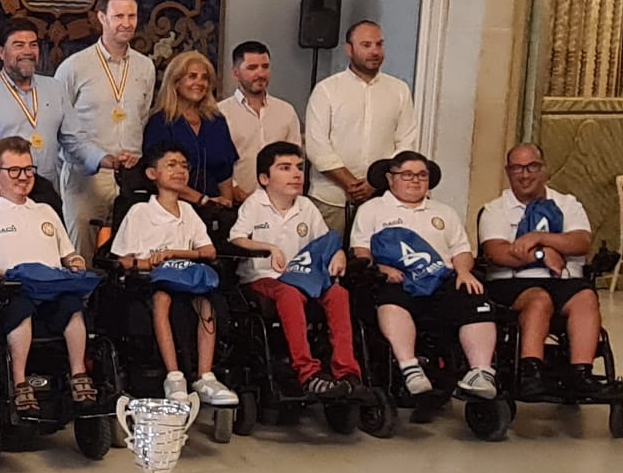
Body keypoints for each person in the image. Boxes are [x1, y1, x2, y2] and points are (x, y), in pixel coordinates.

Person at [0, 137, 94, 414]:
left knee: (72, 305)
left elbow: (68, 254)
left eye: (28, 169)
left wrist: (76, 260)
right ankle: (20, 383)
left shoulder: (45, 211)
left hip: (50, 289)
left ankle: (79, 375)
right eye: (14, 170)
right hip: (9, 291)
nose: (23, 177)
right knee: (20, 306)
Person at [350, 150, 498, 399]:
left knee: (475, 297)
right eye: (407, 174)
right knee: (390, 298)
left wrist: (464, 272)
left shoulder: (444, 212)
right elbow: (361, 251)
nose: (415, 180)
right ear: (390, 178)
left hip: (440, 279)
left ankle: (481, 373)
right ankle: (410, 369)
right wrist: (381, 269)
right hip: (398, 280)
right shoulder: (372, 209)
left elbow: (462, 250)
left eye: (422, 175)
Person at [228, 142, 363, 397]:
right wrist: (268, 247)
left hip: (303, 278)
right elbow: (236, 239)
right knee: (289, 293)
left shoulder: (306, 206)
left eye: (299, 168)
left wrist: (338, 253)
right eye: (285, 168)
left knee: (338, 293)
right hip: (264, 278)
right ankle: (307, 372)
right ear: (264, 178)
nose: (296, 174)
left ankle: (347, 371)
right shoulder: (255, 204)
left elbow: (325, 241)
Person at [477, 143, 612, 399]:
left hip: (564, 280)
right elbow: (498, 253)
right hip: (512, 284)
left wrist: (539, 238)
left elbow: (581, 242)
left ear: (544, 170)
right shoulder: (495, 210)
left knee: (585, 297)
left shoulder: (567, 204)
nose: (524, 174)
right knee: (539, 299)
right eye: (517, 168)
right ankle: (531, 372)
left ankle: (581, 373)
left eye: (532, 167)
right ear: (508, 172)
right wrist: (542, 254)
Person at [108, 143, 237, 407]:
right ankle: (174, 376)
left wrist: (173, 254)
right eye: (171, 165)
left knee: (205, 301)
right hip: (150, 280)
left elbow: (209, 251)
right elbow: (122, 259)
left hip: (185, 277)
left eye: (184, 166)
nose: (180, 170)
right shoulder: (140, 212)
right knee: (162, 298)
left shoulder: (188, 211)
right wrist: (149, 263)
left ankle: (205, 377)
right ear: (152, 174)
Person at [57, 0, 157, 255]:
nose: (127, 23)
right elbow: (61, 125)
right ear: (102, 17)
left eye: (132, 16)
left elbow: (142, 116)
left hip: (131, 176)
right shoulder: (74, 67)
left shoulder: (145, 67)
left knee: (131, 255)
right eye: (118, 16)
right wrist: (99, 157)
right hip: (86, 176)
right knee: (82, 256)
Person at [305, 20, 417, 234]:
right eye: (366, 45)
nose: (375, 51)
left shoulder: (399, 90)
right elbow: (317, 147)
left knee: (377, 254)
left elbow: (406, 144)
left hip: (381, 198)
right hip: (331, 199)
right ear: (349, 50)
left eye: (379, 44)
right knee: (329, 254)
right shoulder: (327, 90)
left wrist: (375, 183)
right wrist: (351, 184)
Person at [0, 18, 82, 189]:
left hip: (47, 192)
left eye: (33, 45)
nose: (28, 52)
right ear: (1, 52)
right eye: (19, 45)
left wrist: (102, 159)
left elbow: (74, 141)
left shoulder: (56, 89)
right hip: (1, 193)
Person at [140, 50, 243, 211]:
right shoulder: (160, 123)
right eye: (192, 76)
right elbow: (161, 176)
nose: (199, 83)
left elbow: (225, 173)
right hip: (172, 209)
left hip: (214, 209)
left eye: (205, 78)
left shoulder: (216, 121)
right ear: (176, 82)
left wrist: (225, 208)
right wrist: (202, 200)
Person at [218, 41, 303, 197]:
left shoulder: (286, 111)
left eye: (265, 67)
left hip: (279, 200)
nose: (260, 74)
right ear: (236, 74)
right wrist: (235, 190)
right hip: (236, 199)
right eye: (252, 68)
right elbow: (217, 161)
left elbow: (294, 158)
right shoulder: (220, 113)